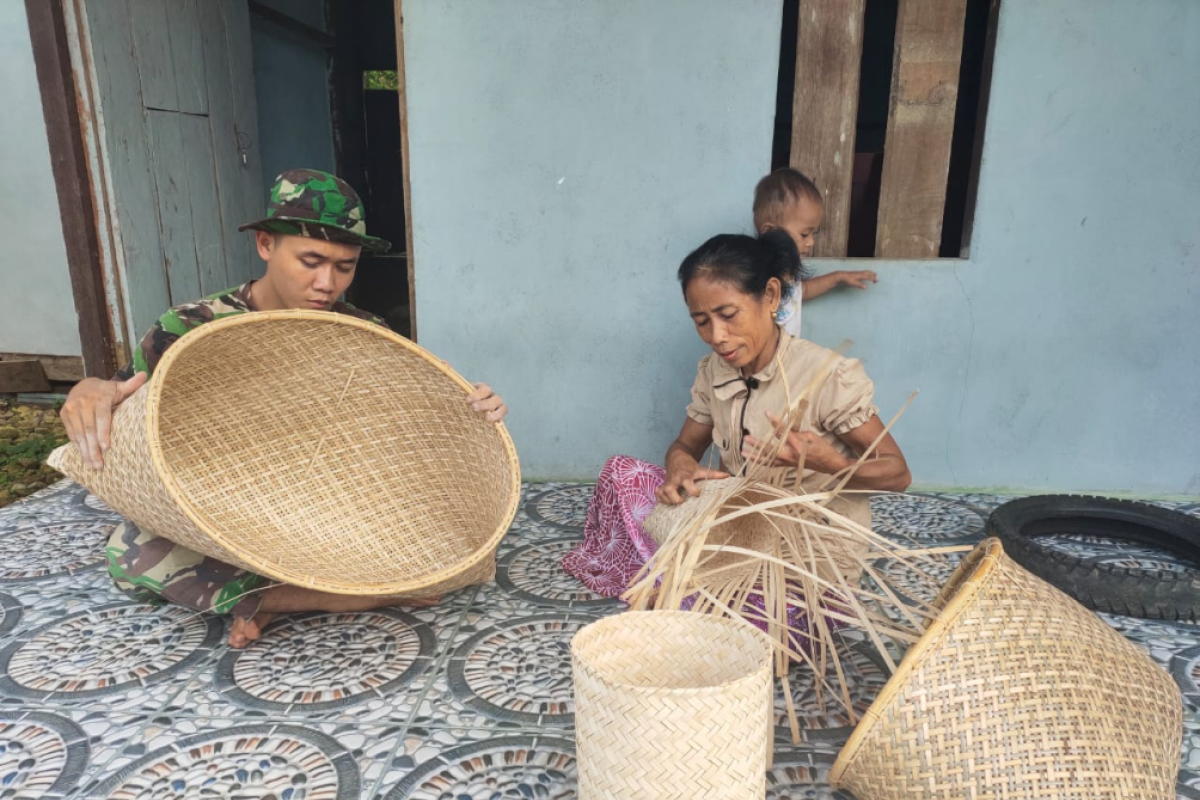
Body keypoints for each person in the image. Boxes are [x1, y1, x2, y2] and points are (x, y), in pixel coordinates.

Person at [61, 169, 508, 647]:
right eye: (311, 260)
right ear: (265, 245)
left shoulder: (363, 333)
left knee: (450, 554)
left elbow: (406, 432)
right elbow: (126, 402)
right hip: (216, 500)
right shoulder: (190, 326)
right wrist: (91, 390)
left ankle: (265, 595)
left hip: (319, 506)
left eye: (345, 266)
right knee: (131, 555)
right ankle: (335, 596)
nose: (326, 283)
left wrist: (470, 409)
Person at [562, 229, 910, 599]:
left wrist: (831, 465)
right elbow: (684, 445)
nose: (717, 336)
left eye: (728, 315)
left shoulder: (826, 376)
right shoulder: (715, 371)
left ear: (771, 296)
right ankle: (677, 585)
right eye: (701, 321)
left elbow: (898, 474)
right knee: (622, 474)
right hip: (739, 533)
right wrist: (680, 466)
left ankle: (681, 589)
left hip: (804, 558)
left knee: (729, 616)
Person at [752, 168, 878, 337]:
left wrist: (838, 277)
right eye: (804, 234)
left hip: (787, 358)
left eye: (813, 234)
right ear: (769, 231)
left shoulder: (787, 271)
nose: (811, 242)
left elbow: (801, 290)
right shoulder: (755, 273)